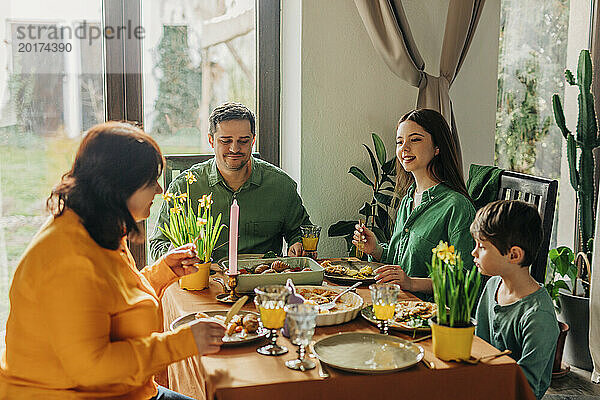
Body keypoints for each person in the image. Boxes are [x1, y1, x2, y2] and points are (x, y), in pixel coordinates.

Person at [0, 122, 226, 400]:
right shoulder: (67, 261)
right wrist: (183, 343)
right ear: (118, 187)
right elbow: (93, 368)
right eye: (149, 181)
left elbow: (112, 301)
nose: (159, 190)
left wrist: (161, 274)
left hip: (125, 391)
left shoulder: (97, 227)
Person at [149, 102, 311, 262]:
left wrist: (298, 244)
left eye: (243, 141)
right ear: (211, 141)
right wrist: (179, 255)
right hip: (203, 281)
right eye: (225, 141)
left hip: (264, 283)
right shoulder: (184, 187)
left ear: (253, 140)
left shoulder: (281, 185)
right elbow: (158, 244)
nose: (234, 149)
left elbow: (301, 231)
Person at [353, 109, 475, 298]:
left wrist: (411, 283)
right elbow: (400, 262)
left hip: (431, 318)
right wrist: (375, 249)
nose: (404, 148)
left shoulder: (456, 206)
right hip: (398, 305)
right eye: (400, 142)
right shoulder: (409, 198)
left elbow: (467, 280)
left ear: (437, 147)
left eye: (415, 139)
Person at [471, 200, 559, 400]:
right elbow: (480, 346)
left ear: (514, 255)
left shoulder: (538, 316)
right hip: (483, 384)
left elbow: (526, 387)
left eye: (482, 247)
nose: (474, 253)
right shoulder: (493, 285)